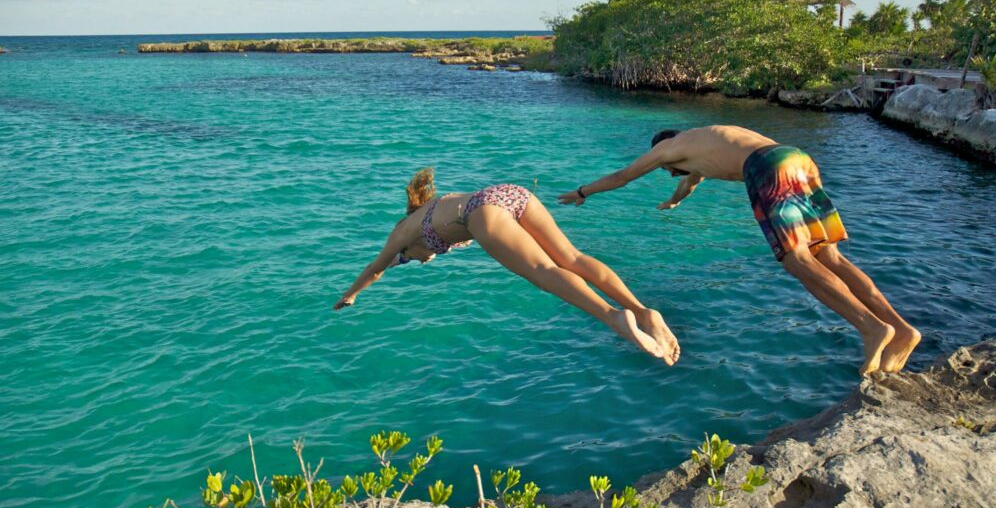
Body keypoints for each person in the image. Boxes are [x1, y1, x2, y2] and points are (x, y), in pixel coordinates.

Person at [557, 125, 921, 375]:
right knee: (829, 256)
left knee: (796, 260)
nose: (667, 172)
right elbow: (690, 182)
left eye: (665, 169)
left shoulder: (667, 149)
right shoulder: (704, 141)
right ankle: (902, 329)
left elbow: (623, 176)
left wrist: (583, 192)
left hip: (765, 168)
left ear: (661, 150)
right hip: (797, 159)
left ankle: (871, 328)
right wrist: (673, 202)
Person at [336, 168, 681, 365]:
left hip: (481, 214)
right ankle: (642, 309)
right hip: (510, 194)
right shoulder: (437, 206)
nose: (418, 260)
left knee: (545, 274)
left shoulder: (402, 233)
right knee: (572, 258)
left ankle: (615, 317)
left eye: (412, 257)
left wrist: (351, 295)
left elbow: (377, 267)